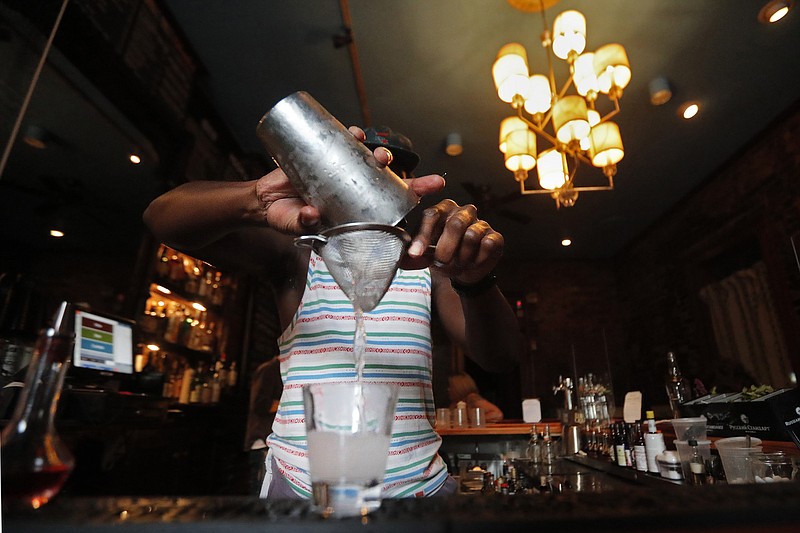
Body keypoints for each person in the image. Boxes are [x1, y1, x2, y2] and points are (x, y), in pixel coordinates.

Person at [143, 125, 523, 499]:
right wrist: (257, 196)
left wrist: (475, 280)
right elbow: (162, 219)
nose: (373, 191)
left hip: (417, 491)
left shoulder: (430, 268)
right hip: (302, 489)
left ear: (407, 193)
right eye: (359, 176)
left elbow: (501, 358)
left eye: (392, 179)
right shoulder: (296, 255)